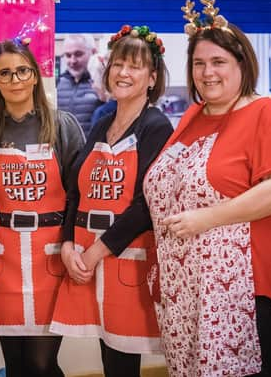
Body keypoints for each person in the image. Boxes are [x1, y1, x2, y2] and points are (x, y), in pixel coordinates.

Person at [143, 0, 271, 376]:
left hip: (243, 288)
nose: (207, 72)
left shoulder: (264, 113)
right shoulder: (193, 116)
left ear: (242, 65)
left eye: (218, 62)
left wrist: (208, 218)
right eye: (199, 63)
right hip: (187, 286)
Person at [51, 24, 173, 377]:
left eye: (134, 66)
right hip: (89, 257)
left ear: (152, 78)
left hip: (125, 259)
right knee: (108, 356)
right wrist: (68, 243)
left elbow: (144, 206)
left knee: (122, 361)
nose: (123, 73)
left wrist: (94, 252)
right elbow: (76, 187)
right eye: (118, 64)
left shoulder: (156, 126)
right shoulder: (102, 123)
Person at [0, 39, 84, 377]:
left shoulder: (61, 125)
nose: (15, 79)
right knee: (18, 363)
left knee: (41, 363)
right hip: (4, 258)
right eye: (4, 73)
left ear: (35, 75)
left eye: (22, 70)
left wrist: (71, 244)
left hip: (48, 257)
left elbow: (78, 196)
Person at [56, 34, 102, 135]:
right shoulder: (57, 83)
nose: (73, 61)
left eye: (78, 54)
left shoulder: (102, 83)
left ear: (93, 52)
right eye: (68, 55)